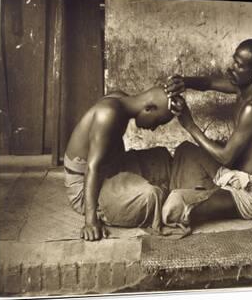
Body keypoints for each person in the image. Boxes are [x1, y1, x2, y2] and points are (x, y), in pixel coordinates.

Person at [163, 38, 252, 226]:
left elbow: (225, 158)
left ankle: (204, 195)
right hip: (235, 174)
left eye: (238, 65)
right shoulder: (246, 88)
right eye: (234, 60)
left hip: (249, 195)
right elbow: (208, 82)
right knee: (185, 150)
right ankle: (208, 191)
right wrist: (184, 82)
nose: (231, 68)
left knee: (176, 207)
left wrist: (189, 125)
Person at [64, 87, 175, 241]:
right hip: (85, 186)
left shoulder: (120, 99)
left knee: (162, 157)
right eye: (157, 121)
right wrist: (90, 221)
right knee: (151, 195)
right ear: (149, 108)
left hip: (111, 168)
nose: (153, 128)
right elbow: (92, 167)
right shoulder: (108, 113)